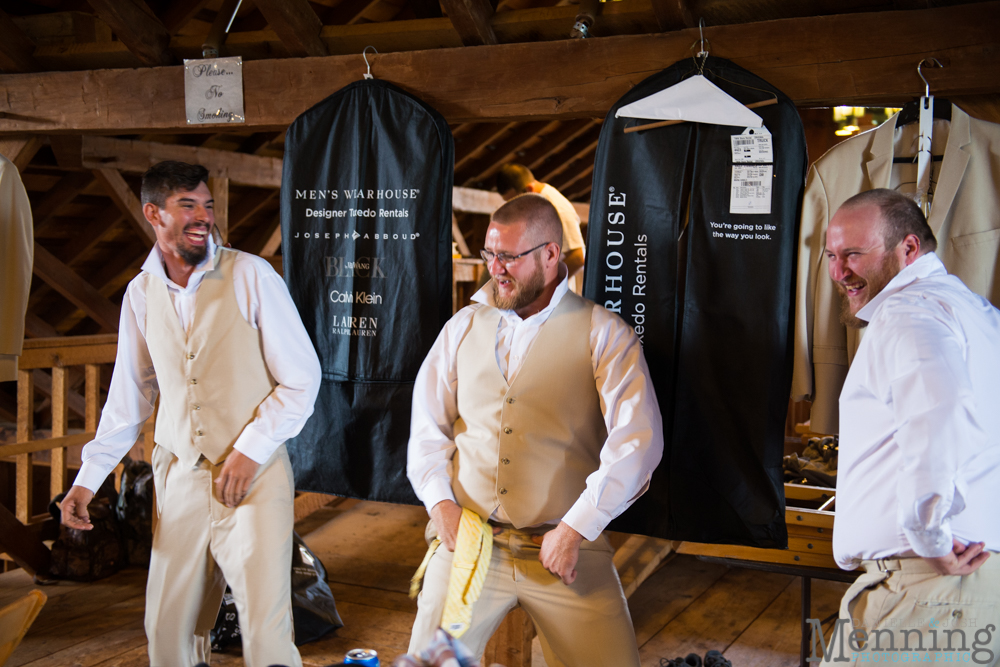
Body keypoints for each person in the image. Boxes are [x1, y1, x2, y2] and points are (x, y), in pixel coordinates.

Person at [59, 161, 321, 667]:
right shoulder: (140, 293)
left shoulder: (251, 275)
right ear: (153, 213)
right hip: (178, 473)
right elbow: (130, 395)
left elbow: (302, 379)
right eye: (188, 206)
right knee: (167, 627)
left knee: (265, 632)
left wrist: (249, 451)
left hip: (255, 475)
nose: (203, 216)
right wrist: (87, 481)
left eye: (208, 205)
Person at [406, 193, 663, 667]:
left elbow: (638, 443)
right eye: (490, 254)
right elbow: (427, 426)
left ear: (550, 255)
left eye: (509, 256)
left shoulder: (604, 332)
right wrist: (440, 505)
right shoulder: (463, 326)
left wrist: (575, 529)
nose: (495, 268)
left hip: (567, 546)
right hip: (471, 542)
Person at [819, 189, 1000, 664]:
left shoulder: (909, 312)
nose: (839, 273)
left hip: (926, 586)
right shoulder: (978, 314)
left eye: (854, 254)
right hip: (950, 586)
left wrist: (929, 534)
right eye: (832, 256)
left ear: (909, 249)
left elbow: (939, 412)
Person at [496, 164, 586, 292]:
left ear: (529, 189)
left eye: (517, 201)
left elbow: (578, 257)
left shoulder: (558, 209)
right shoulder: (536, 206)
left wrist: (544, 289)